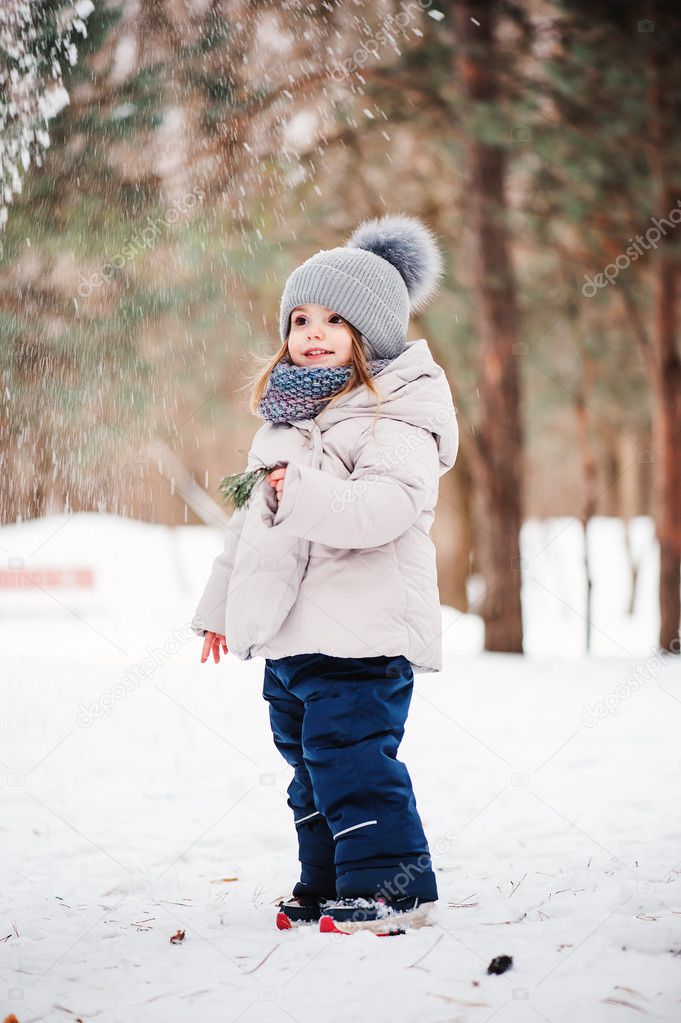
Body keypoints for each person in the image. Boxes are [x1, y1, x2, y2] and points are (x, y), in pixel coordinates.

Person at [191, 213, 459, 935]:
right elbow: (245, 528)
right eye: (300, 317)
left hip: (362, 636)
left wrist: (298, 491)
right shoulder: (280, 425)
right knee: (307, 766)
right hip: (290, 637)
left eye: (334, 319)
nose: (311, 330)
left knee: (351, 759)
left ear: (370, 336)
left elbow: (385, 508)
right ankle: (328, 879)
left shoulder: (391, 418)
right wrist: (219, 606)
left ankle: (393, 885)